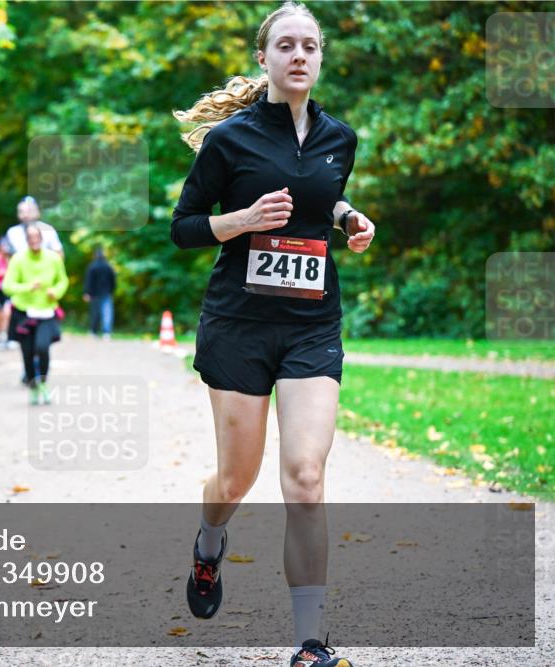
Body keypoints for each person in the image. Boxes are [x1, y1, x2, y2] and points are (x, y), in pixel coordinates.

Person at [170, 3, 375, 666]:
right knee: (236, 478)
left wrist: (348, 217)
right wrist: (245, 218)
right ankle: (208, 545)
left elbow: (323, 194)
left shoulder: (339, 137)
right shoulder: (229, 140)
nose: (298, 55)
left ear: (319, 58)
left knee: (306, 475)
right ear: (264, 58)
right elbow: (185, 226)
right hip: (238, 325)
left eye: (309, 46)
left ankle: (309, 642)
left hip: (311, 323)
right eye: (285, 44)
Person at [2, 224, 69, 405]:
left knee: (42, 347)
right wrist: (27, 287)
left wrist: (56, 291)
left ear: (41, 238)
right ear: (26, 240)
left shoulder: (53, 258)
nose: (34, 241)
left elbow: (62, 280)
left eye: (36, 237)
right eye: (30, 238)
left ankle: (44, 383)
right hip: (24, 313)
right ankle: (33, 386)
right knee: (28, 353)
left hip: (46, 312)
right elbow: (7, 286)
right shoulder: (18, 259)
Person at [82, 246, 116, 339]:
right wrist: (112, 290)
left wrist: (86, 293)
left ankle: (94, 331)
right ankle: (106, 333)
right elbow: (113, 281)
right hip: (106, 293)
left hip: (94, 294)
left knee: (95, 313)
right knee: (107, 313)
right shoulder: (108, 266)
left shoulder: (92, 266)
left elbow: (88, 281)